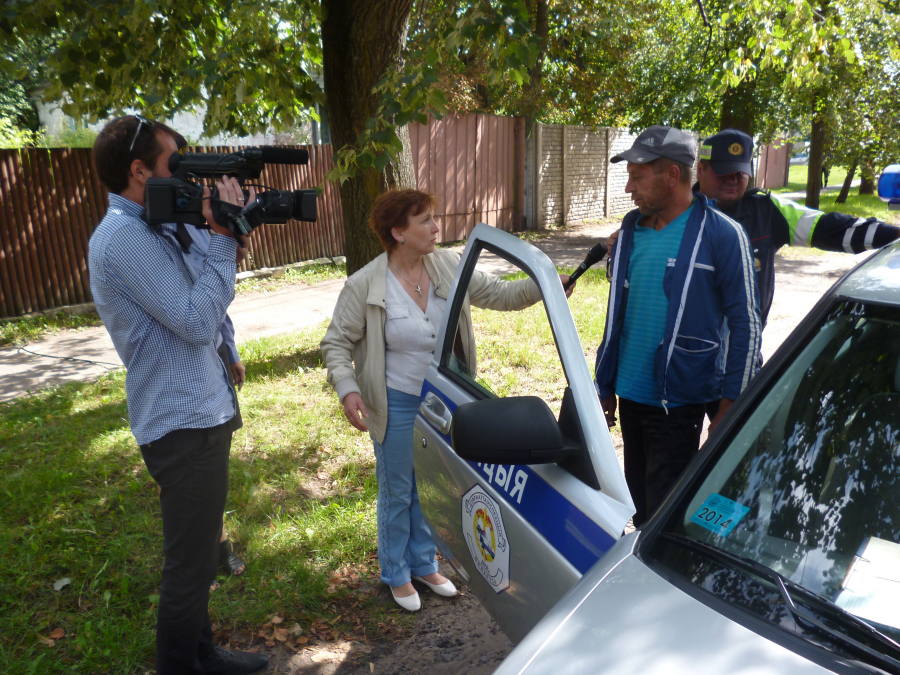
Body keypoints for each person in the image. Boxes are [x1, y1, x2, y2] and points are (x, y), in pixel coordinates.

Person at [320, 189, 563, 611]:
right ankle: (396, 572)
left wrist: (546, 285)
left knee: (433, 484)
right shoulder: (365, 283)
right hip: (395, 401)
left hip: (443, 403)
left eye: (435, 218)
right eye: (425, 221)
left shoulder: (448, 265)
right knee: (399, 488)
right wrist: (349, 389)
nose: (437, 228)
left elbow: (499, 295)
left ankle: (425, 562)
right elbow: (337, 343)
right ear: (398, 232)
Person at [88, 114, 267, 675]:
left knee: (201, 555)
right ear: (138, 171)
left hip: (203, 410)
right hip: (179, 421)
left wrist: (227, 236)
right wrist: (216, 242)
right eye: (176, 165)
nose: (189, 178)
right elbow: (193, 320)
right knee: (188, 566)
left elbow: (213, 309)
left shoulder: (161, 225)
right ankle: (180, 665)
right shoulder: (121, 237)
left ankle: (202, 654)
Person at [595, 126, 762, 528]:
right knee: (637, 504)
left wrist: (729, 405)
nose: (628, 188)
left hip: (679, 403)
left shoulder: (722, 234)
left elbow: (746, 324)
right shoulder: (631, 231)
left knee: (664, 514)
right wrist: (604, 387)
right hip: (629, 395)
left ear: (671, 175)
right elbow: (617, 312)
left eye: (637, 177)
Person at [697, 129, 900, 324]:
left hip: (743, 348)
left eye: (739, 173)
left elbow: (831, 229)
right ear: (701, 169)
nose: (732, 180)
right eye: (724, 172)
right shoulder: (677, 211)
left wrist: (894, 234)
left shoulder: (767, 210)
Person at [173, 220, 248, 586]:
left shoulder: (203, 230)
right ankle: (197, 556)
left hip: (214, 361)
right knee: (184, 479)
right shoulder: (148, 235)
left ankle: (217, 545)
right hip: (178, 377)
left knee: (214, 470)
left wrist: (230, 351)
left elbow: (216, 302)